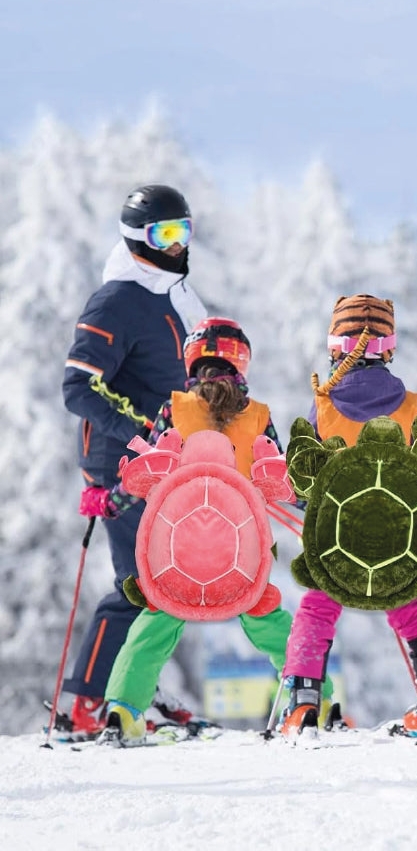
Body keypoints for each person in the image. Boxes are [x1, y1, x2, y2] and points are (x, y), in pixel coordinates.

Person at [99, 317, 332, 744]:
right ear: (241, 364)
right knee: (268, 620)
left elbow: (146, 468)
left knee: (152, 626)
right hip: (241, 552)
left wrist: (108, 503)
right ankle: (312, 701)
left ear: (192, 363)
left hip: (174, 550)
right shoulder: (258, 416)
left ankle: (122, 709)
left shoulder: (173, 411)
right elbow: (283, 479)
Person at [279, 294, 417, 738]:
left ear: (334, 347)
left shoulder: (323, 407)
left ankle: (303, 702)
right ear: (389, 347)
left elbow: (305, 477)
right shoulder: (409, 405)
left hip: (335, 544)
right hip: (397, 544)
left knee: (317, 607)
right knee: (408, 607)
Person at [61, 185, 207, 734]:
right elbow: (78, 388)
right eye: (162, 235)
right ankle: (90, 703)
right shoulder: (118, 300)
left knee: (165, 580)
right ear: (135, 240)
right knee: (141, 583)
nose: (174, 246)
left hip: (169, 459)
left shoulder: (174, 296)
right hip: (125, 466)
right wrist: (139, 430)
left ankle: (138, 691)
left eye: (182, 232)